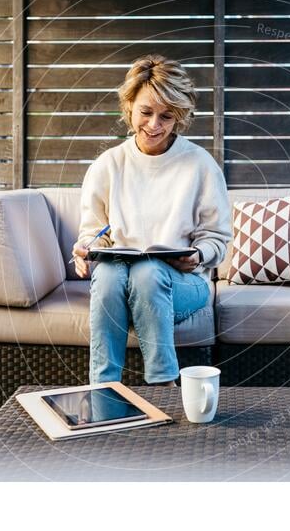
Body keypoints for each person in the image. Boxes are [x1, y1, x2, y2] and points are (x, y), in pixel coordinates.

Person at [72, 55, 231, 386]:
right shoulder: (108, 165)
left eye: (166, 116)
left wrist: (198, 255)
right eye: (146, 112)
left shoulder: (199, 165)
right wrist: (87, 249)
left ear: (179, 118)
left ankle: (162, 384)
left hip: (185, 283)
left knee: (147, 272)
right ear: (129, 106)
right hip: (118, 282)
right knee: (111, 275)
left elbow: (216, 238)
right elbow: (94, 234)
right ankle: (104, 388)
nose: (154, 125)